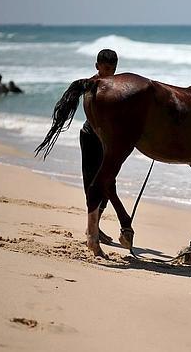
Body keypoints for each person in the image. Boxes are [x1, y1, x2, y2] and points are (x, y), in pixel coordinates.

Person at [80, 49, 118, 244]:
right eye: (105, 69)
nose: (109, 74)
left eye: (112, 69)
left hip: (106, 141)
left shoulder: (116, 86)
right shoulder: (92, 86)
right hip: (90, 137)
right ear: (97, 67)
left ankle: (95, 225)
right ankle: (92, 228)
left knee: (109, 185)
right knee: (92, 184)